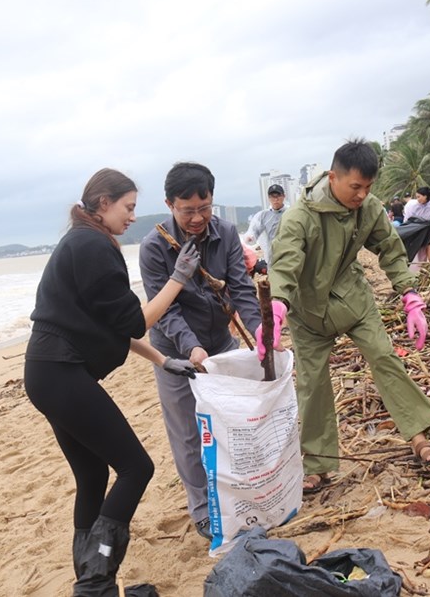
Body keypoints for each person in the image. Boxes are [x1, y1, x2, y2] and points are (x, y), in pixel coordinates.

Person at [24, 168, 201, 596]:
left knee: (91, 477)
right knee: (137, 467)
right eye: (129, 207)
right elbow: (135, 321)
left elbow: (111, 326)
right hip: (60, 372)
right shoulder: (92, 246)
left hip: (47, 372)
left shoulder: (81, 241)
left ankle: (91, 583)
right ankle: (96, 583)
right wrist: (178, 279)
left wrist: (163, 359)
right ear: (103, 203)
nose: (132, 217)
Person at [262, 139, 430, 493]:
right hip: (307, 312)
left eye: (368, 187)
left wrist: (409, 295)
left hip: (354, 301)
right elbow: (285, 262)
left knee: (383, 356)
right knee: (312, 383)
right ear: (333, 177)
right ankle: (317, 464)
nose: (361, 195)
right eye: (355, 186)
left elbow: (391, 249)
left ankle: (419, 437)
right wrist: (278, 305)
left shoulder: (369, 208)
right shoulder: (301, 215)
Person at [139, 162, 262, 541]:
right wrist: (190, 347)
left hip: (222, 343)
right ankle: (202, 509)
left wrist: (260, 331)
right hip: (176, 355)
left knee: (230, 424)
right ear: (169, 205)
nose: (197, 218)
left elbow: (239, 287)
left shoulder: (225, 232)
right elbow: (165, 312)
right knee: (189, 434)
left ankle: (236, 493)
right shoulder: (153, 247)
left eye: (204, 208)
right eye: (187, 210)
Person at [244, 183, 288, 260]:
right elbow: (253, 231)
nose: (275, 199)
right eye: (272, 197)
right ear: (268, 198)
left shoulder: (290, 212)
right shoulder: (263, 215)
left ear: (284, 196)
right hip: (271, 256)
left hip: (289, 254)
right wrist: (250, 237)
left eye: (278, 196)